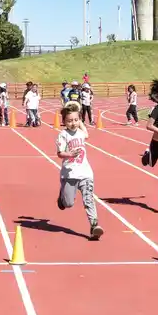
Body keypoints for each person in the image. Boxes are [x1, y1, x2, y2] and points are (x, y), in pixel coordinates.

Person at [56, 101, 102, 240]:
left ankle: (94, 226)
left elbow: (86, 135)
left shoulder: (81, 133)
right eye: (70, 121)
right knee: (68, 203)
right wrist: (69, 154)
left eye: (76, 120)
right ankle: (62, 198)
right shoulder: (63, 135)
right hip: (70, 174)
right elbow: (59, 153)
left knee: (88, 200)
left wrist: (80, 117)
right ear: (64, 121)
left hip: (85, 173)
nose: (73, 123)